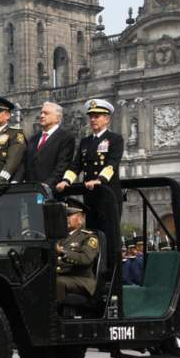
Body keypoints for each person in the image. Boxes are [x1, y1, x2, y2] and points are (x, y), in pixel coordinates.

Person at [57, 98, 124, 272]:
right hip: (90, 197)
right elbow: (76, 165)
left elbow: (112, 163)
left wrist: (100, 180)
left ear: (107, 119)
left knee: (109, 235)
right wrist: (66, 181)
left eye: (98, 116)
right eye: (91, 116)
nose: (93, 119)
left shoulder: (114, 139)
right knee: (93, 235)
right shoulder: (86, 142)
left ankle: (112, 274)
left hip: (107, 195)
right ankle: (95, 271)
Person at [22, 101, 75, 190]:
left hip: (51, 190)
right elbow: (25, 163)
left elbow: (62, 166)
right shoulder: (33, 138)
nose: (41, 116)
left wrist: (47, 185)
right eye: (41, 113)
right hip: (30, 191)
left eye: (46, 113)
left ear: (57, 118)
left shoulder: (66, 138)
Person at [56, 199, 100, 302]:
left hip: (81, 279)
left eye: (69, 215)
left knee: (58, 282)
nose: (66, 218)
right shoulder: (58, 237)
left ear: (81, 218)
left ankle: (55, 316)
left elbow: (86, 258)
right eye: (64, 215)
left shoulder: (88, 237)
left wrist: (62, 252)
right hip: (61, 277)